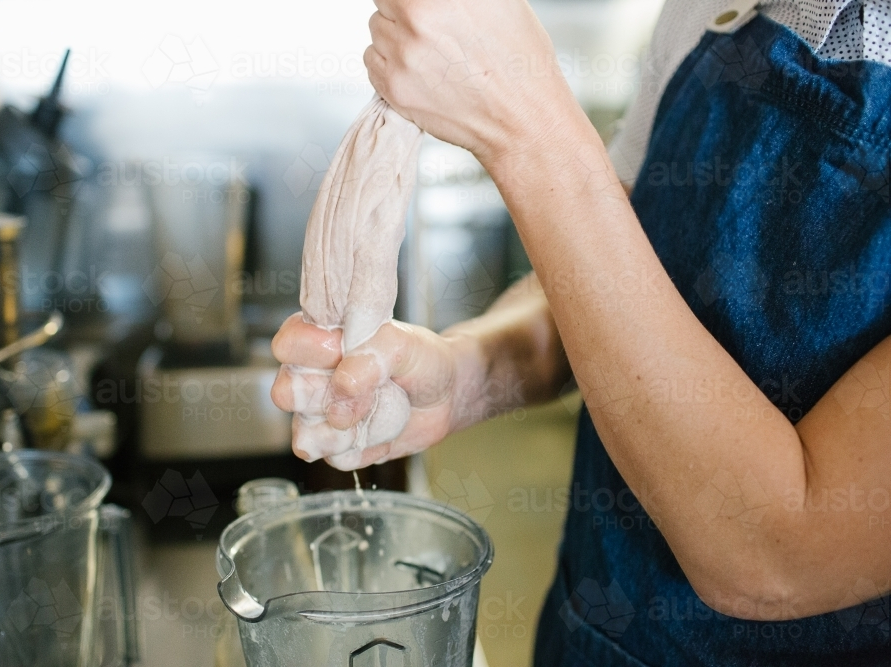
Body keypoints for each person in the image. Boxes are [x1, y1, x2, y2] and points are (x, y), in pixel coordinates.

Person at [271, 0, 891, 664]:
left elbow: (777, 553)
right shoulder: (715, 9)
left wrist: (528, 127)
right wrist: (467, 373)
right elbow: (599, 272)